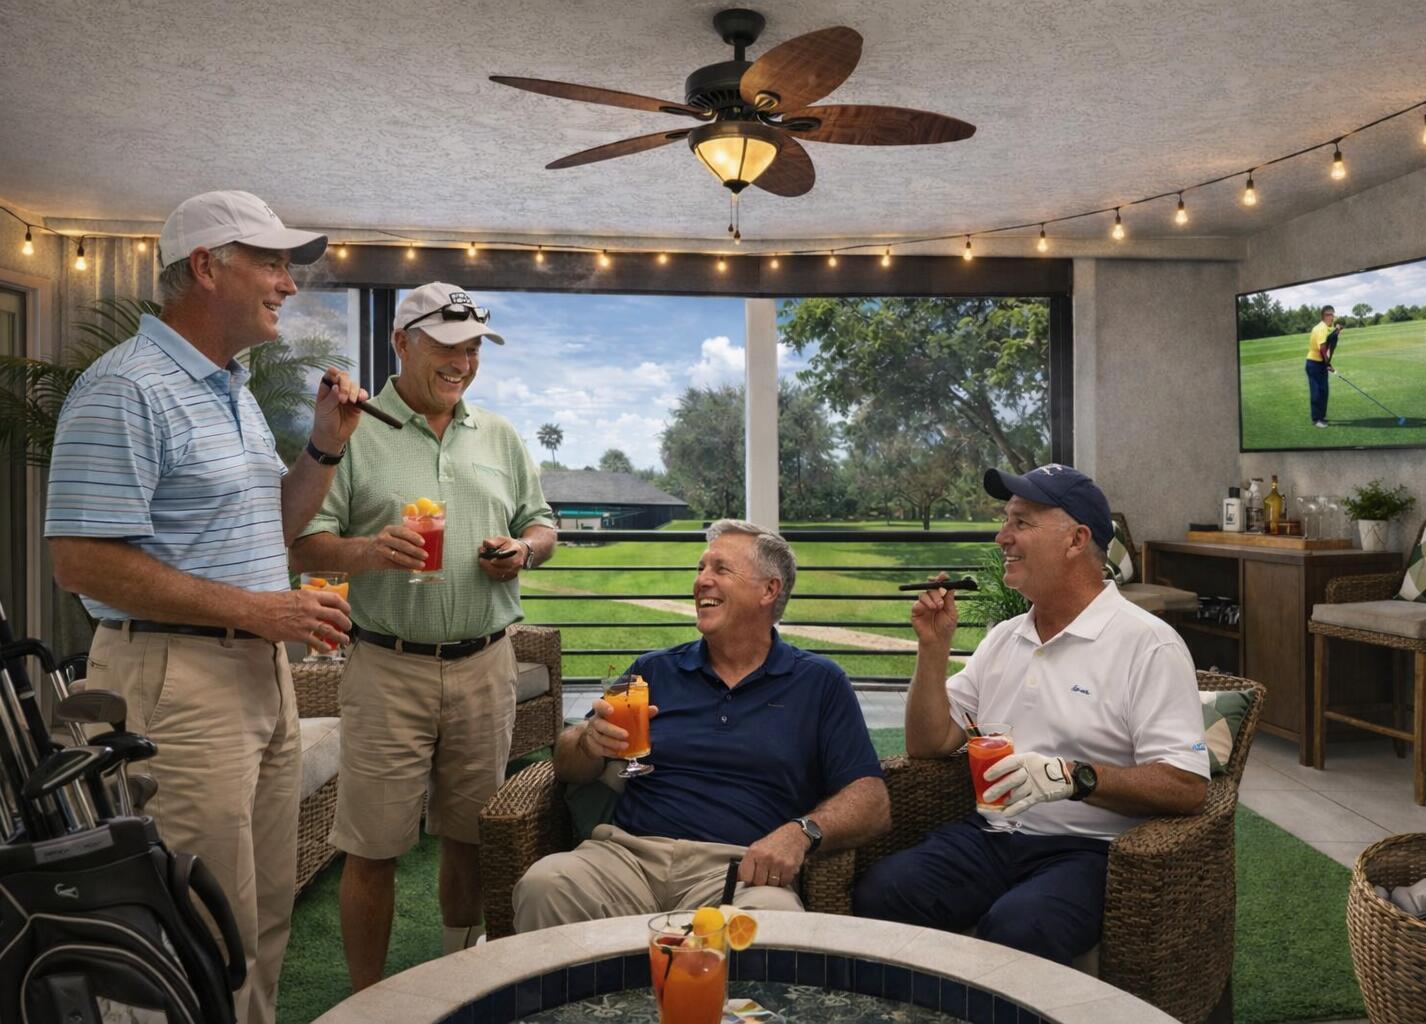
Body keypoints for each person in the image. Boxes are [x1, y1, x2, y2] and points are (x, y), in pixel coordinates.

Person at [46, 189, 364, 1024]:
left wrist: (326, 444)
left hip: (257, 675)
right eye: (270, 262)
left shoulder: (232, 390)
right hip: (177, 679)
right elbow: (79, 559)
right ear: (205, 268)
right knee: (195, 920)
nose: (288, 283)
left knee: (257, 916)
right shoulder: (124, 388)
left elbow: (278, 526)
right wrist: (262, 613)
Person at [289, 281, 556, 990]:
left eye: (471, 349)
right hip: (387, 667)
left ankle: (455, 981)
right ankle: (367, 1001)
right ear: (401, 342)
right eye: (446, 347)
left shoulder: (498, 435)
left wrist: (523, 551)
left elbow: (544, 522)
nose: (461, 363)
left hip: (485, 665)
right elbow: (305, 545)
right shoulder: (352, 431)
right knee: (371, 847)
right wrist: (372, 552)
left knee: (472, 837)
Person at [852, 464, 1210, 965]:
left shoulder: (1147, 645)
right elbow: (928, 744)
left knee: (1019, 929)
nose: (1002, 537)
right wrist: (933, 650)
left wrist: (1073, 778)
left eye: (1021, 522)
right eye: (1005, 521)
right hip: (991, 835)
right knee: (881, 893)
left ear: (1075, 539)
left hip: (1087, 849)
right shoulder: (1005, 637)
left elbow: (1187, 786)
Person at [513, 520, 890, 931]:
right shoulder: (654, 669)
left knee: (774, 923)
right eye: (700, 569)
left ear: (769, 590)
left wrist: (802, 832)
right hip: (627, 857)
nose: (701, 582)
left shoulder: (818, 682)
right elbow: (567, 764)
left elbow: (872, 800)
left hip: (739, 869)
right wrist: (587, 741)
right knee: (544, 884)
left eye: (720, 570)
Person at [1306, 305, 1341, 427]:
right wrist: (1328, 364)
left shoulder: (1325, 328)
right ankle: (1316, 419)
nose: (1333, 317)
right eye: (1330, 315)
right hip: (1314, 364)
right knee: (1317, 392)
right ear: (1324, 316)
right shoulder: (1321, 328)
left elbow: (1328, 341)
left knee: (1324, 391)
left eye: (1333, 314)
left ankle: (1321, 417)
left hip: (1320, 363)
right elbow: (1322, 348)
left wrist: (1337, 331)